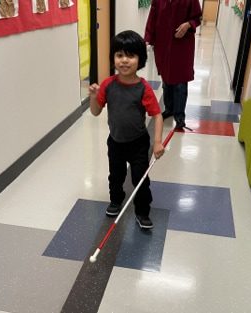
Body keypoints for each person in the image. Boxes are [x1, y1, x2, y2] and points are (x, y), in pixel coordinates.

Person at [89, 30, 164, 229]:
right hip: (115, 141)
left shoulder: (143, 88)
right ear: (113, 58)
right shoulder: (108, 85)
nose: (124, 60)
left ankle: (142, 211)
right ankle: (116, 200)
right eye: (119, 55)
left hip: (138, 142)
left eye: (130, 55)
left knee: (140, 178)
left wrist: (157, 142)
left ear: (140, 59)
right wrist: (93, 96)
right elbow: (96, 112)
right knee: (116, 175)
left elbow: (157, 115)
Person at [144, 0, 202, 130]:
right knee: (166, 79)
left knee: (180, 83)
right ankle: (169, 109)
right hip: (163, 44)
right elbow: (152, 18)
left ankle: (180, 116)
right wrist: (147, 38)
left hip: (181, 45)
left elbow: (197, 18)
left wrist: (188, 24)